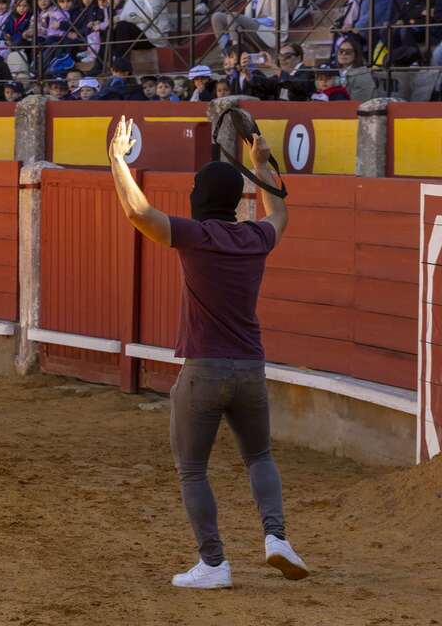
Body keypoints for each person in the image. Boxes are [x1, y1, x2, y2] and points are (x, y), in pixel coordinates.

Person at [107, 116, 310, 590]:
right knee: (259, 456)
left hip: (203, 371)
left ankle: (214, 564)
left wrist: (118, 160)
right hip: (251, 370)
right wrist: (262, 169)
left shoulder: (196, 237)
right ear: (236, 200)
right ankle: (276, 538)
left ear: (201, 199)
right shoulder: (255, 239)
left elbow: (139, 214)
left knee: (193, 469)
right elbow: (279, 215)